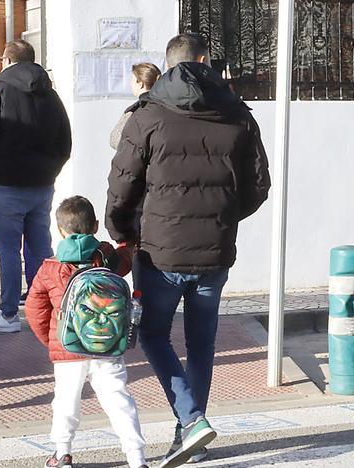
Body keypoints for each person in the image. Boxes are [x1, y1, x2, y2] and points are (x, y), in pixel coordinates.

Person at [105, 33, 271, 468]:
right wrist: (224, 218)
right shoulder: (237, 113)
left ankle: (191, 420)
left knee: (155, 334)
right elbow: (258, 186)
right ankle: (190, 427)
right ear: (203, 60)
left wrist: (123, 231)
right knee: (202, 343)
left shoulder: (148, 114)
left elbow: (122, 184)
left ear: (169, 64)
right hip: (215, 252)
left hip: (157, 252)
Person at [25, 196, 146, 468]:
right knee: (118, 399)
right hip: (107, 345)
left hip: (68, 349)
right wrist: (127, 244)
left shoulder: (50, 267)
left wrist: (52, 340)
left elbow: (34, 310)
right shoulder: (106, 255)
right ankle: (136, 457)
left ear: (59, 231)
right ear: (95, 225)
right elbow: (126, 259)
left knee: (66, 401)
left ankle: (62, 454)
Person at [0, 40, 72, 333]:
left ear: (7, 61)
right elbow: (65, 140)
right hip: (41, 185)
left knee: (9, 251)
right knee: (40, 247)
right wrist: (50, 171)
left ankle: (8, 314)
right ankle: (49, 308)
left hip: (3, 185)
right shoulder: (50, 95)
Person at [109, 62, 162, 149]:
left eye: (132, 80)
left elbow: (115, 140)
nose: (131, 84)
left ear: (140, 84)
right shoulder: (168, 105)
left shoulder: (135, 110)